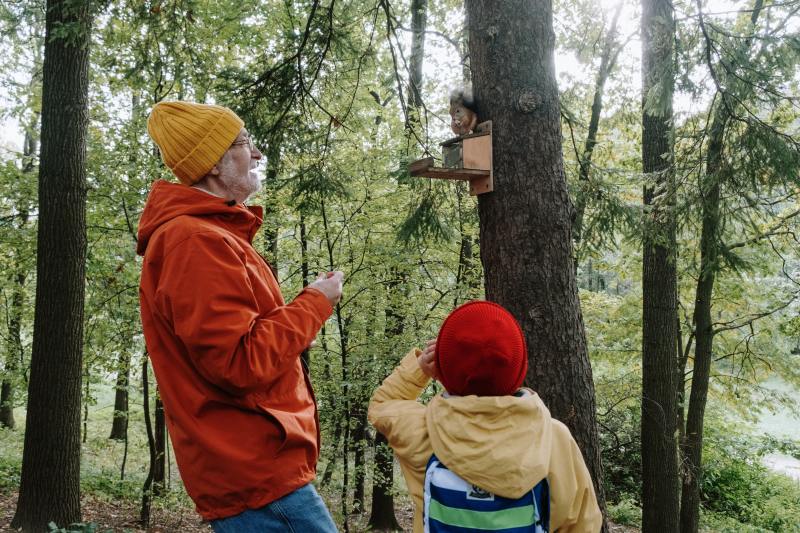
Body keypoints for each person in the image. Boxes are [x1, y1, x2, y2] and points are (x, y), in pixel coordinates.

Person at [137, 100, 342, 532]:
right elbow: (240, 362)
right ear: (214, 162)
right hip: (256, 476)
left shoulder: (210, 235)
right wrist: (316, 302)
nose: (257, 153)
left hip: (260, 471)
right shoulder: (193, 241)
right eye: (245, 143)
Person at [368, 300, 602, 532]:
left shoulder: (422, 431)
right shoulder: (554, 439)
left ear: (444, 369)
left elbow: (383, 404)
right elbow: (583, 524)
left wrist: (420, 367)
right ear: (519, 367)